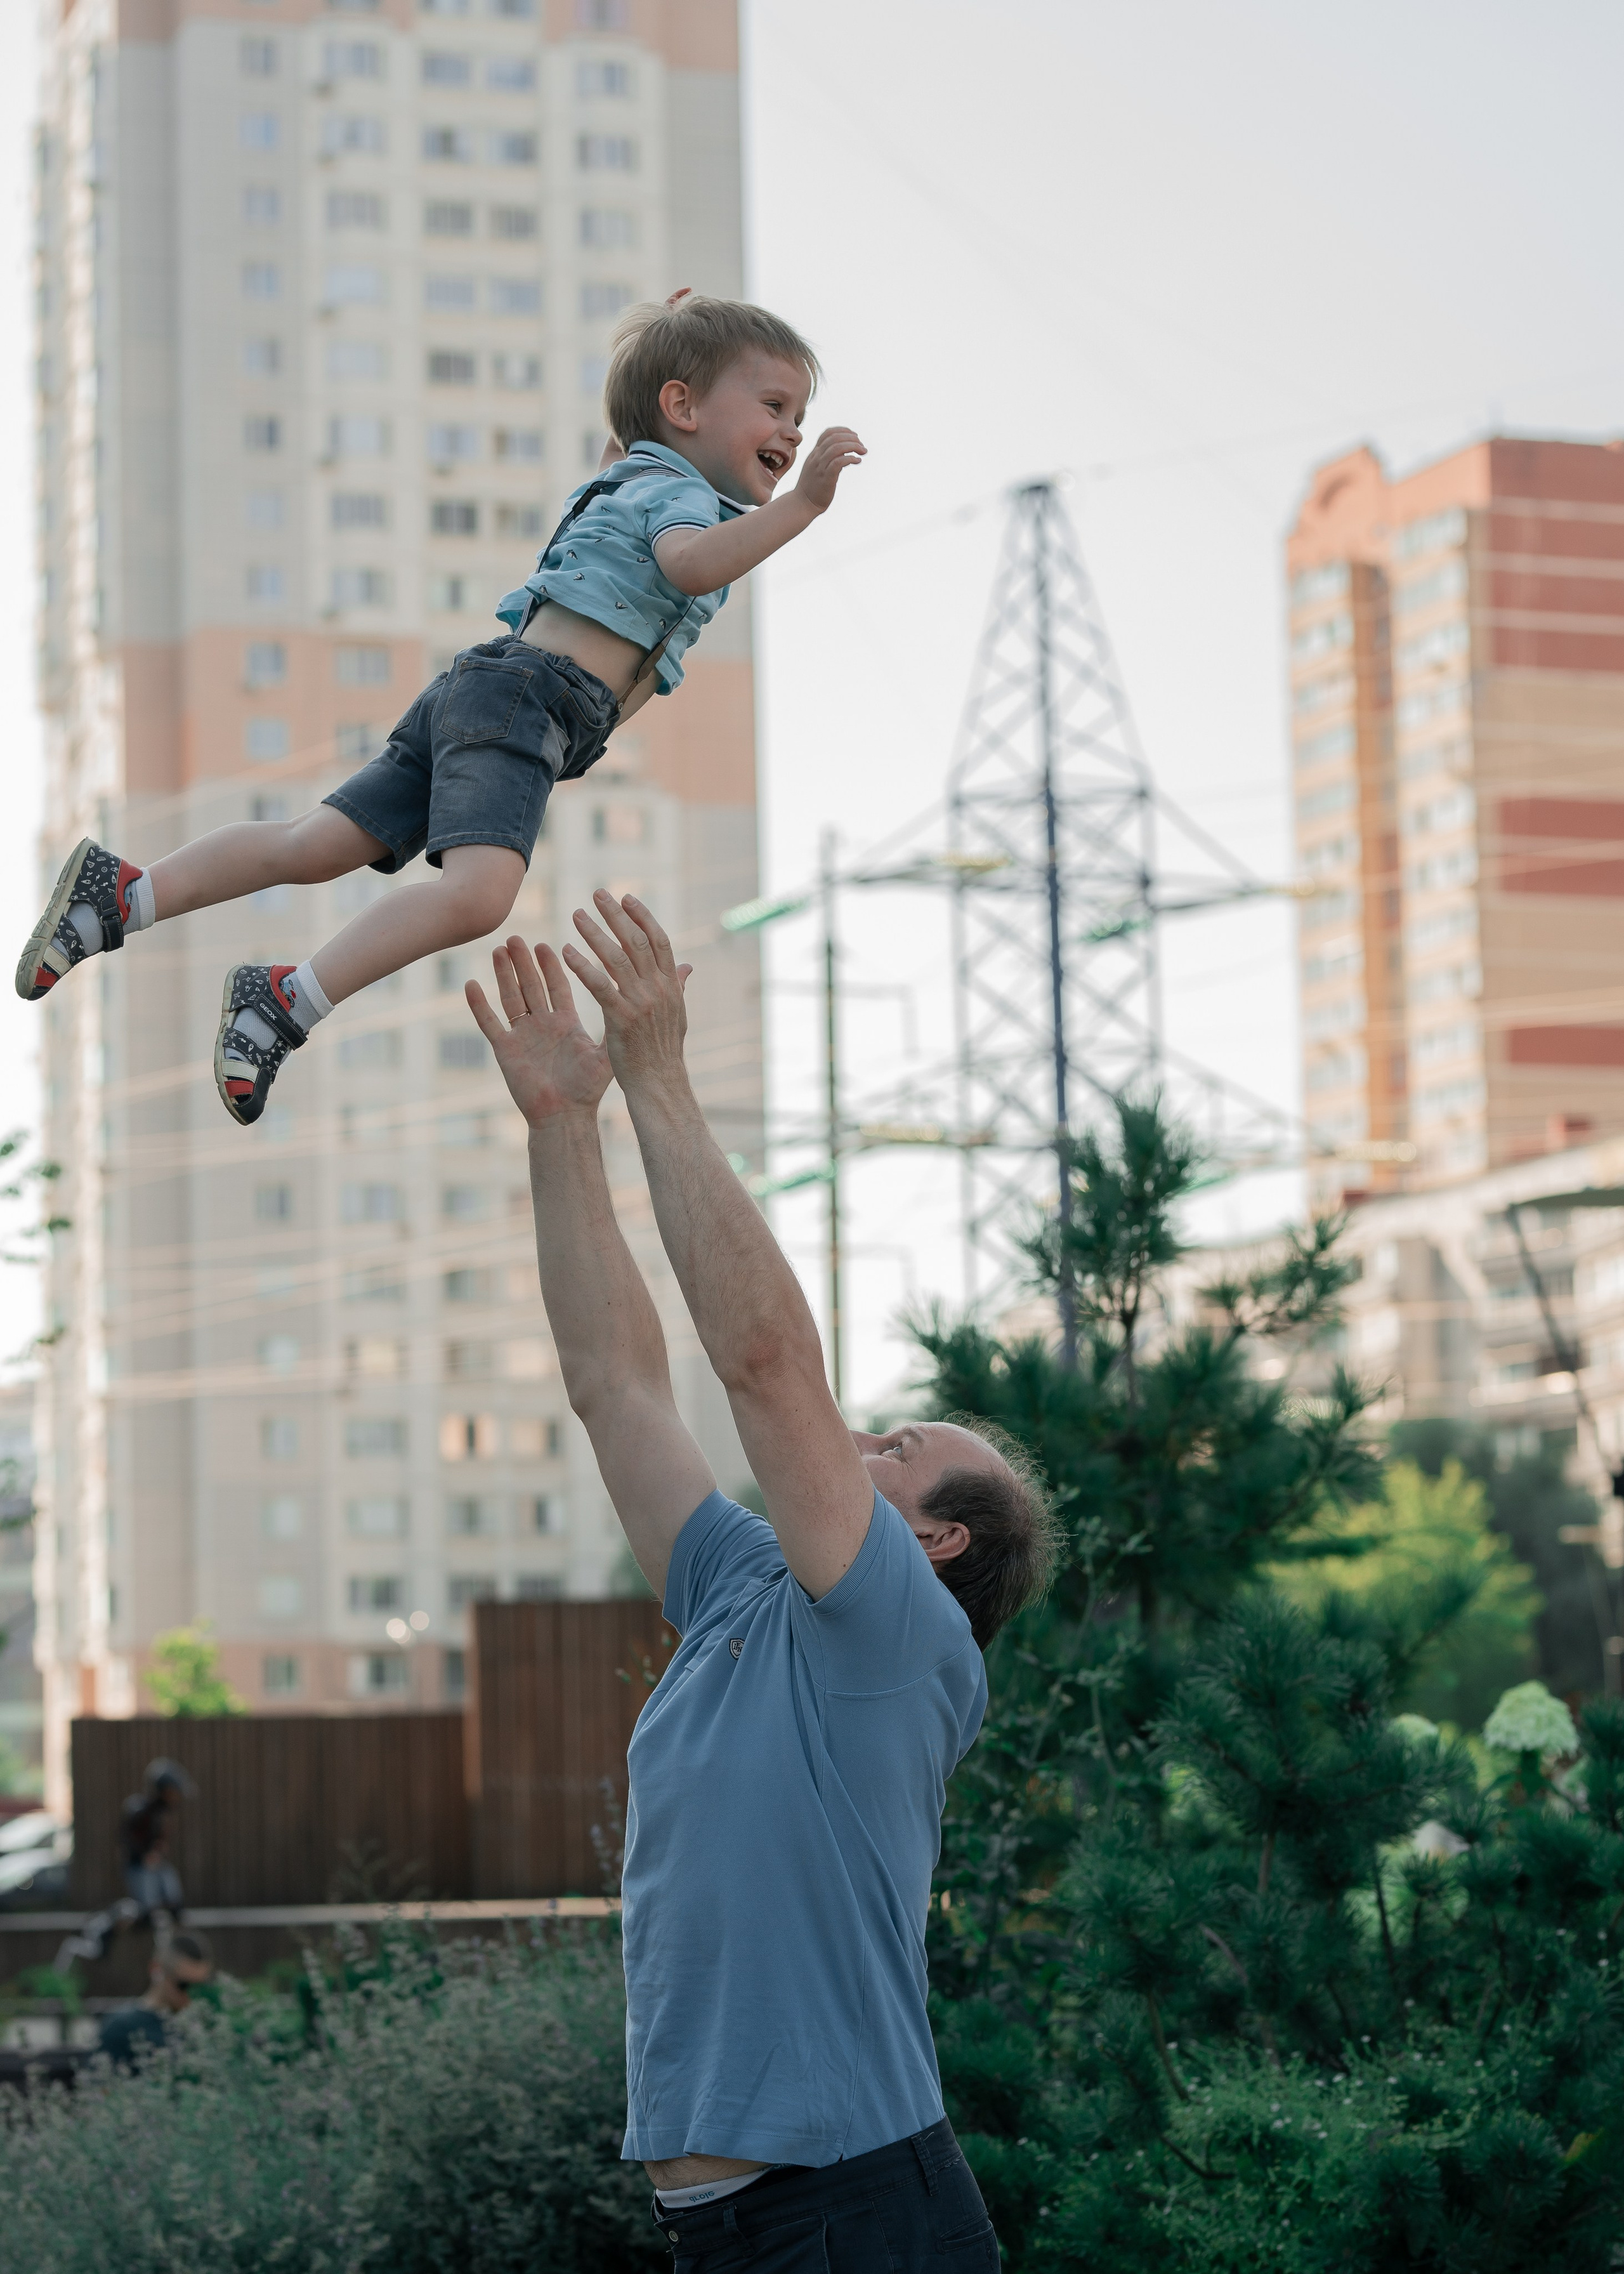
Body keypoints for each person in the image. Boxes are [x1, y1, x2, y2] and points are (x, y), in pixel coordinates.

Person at [466, 897, 1060, 2271]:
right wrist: (565, 1127)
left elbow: (765, 1369)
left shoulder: (902, 1642)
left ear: (936, 1546)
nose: (855, 1440)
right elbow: (614, 1384)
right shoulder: (745, 1589)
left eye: (896, 1451)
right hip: (729, 2229)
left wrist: (660, 1081)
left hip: (856, 2215)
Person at [14, 291, 865, 1129]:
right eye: (774, 407)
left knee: (313, 846)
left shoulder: (635, 473)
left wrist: (668, 341)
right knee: (479, 896)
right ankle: (287, 1000)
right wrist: (805, 505)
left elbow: (630, 439)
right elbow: (691, 566)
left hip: (493, 691)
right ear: (681, 409)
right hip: (529, 702)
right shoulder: (678, 497)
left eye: (799, 415)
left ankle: (125, 894)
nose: (792, 434)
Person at [97, 1931, 214, 2070]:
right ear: (157, 1969)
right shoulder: (121, 2028)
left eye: (201, 1987)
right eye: (184, 1985)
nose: (192, 1995)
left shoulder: (207, 2025)